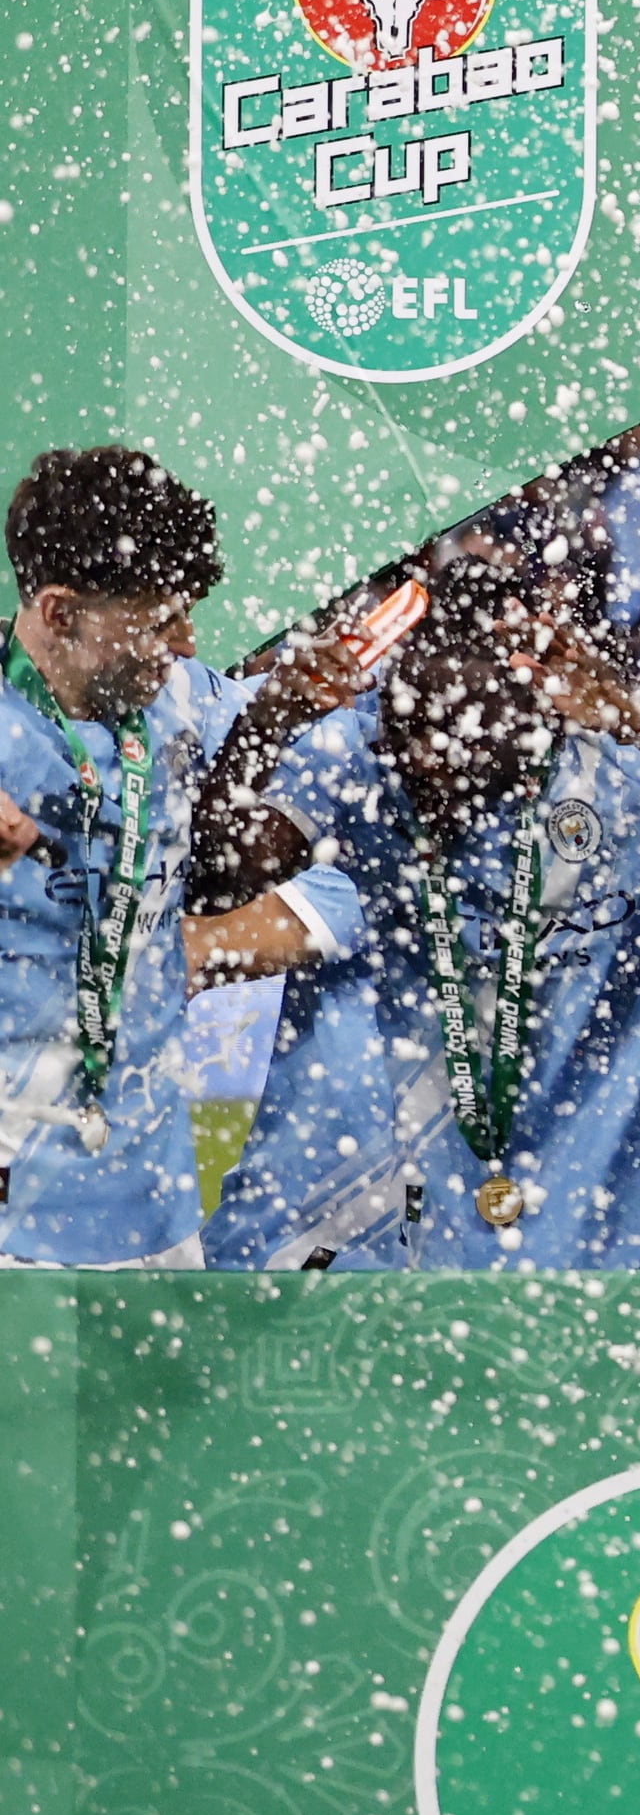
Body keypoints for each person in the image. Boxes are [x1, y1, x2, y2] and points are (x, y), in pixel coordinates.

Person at [204, 488, 640, 1270]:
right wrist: (262, 726)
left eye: (463, 733)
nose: (432, 760)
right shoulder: (362, 753)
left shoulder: (617, 748)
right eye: (414, 731)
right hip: (455, 1242)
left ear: (530, 708)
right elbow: (215, 884)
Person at [0, 447, 325, 1266]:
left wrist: (279, 716)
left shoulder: (181, 703)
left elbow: (264, 825)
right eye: (156, 622)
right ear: (60, 611)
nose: (183, 643)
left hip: (154, 1205)